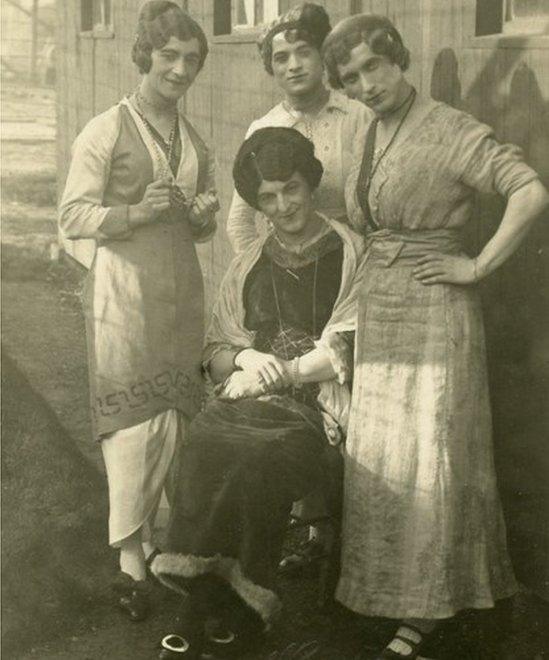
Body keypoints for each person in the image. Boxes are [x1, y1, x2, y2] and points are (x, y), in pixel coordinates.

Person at [321, 14, 549, 660]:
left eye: (373, 66)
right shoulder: (367, 129)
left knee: (432, 456)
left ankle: (430, 610)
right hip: (383, 305)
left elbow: (528, 192)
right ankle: (386, 592)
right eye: (350, 76)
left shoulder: (449, 128)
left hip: (434, 312)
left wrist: (474, 267)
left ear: (399, 60)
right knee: (387, 457)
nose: (364, 84)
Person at [151, 127, 365, 659]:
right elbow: (216, 351)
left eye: (291, 188)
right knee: (204, 441)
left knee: (259, 459)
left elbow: (350, 343)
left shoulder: (350, 252)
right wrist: (246, 357)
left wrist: (286, 373)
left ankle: (237, 606)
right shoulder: (251, 260)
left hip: (315, 405)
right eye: (267, 197)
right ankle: (208, 604)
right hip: (247, 397)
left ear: (310, 184)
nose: (282, 205)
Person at [58, 1, 219, 621]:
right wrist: (136, 214)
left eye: (192, 60)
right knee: (131, 423)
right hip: (123, 293)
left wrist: (201, 216)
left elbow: (197, 222)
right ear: (145, 55)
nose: (180, 70)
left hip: (179, 290)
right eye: (170, 56)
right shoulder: (105, 128)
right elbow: (73, 216)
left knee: (174, 418)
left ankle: (154, 546)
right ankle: (129, 560)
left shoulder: (192, 136)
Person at [226, 2, 371, 254]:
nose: (294, 65)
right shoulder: (264, 128)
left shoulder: (359, 116)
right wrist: (265, 272)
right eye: (281, 58)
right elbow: (238, 223)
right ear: (272, 67)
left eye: (304, 52)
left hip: (354, 259)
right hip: (292, 269)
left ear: (322, 56)